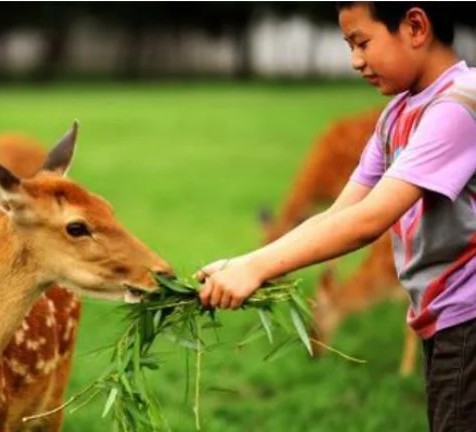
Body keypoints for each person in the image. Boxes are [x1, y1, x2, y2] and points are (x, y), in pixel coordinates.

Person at [197, 3, 476, 430]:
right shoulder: (397, 115)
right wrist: (246, 264)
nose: (354, 61)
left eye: (362, 42)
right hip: (443, 316)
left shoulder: (458, 107)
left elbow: (367, 223)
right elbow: (339, 214)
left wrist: (256, 267)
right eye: (349, 45)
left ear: (415, 26)